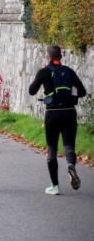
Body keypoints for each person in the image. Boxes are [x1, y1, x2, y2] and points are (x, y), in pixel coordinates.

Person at [28, 45, 87, 195]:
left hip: (52, 114)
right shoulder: (69, 71)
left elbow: (31, 91)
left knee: (52, 149)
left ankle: (54, 186)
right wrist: (71, 94)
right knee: (69, 146)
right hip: (69, 112)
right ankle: (70, 165)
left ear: (48, 57)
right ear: (61, 57)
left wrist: (43, 82)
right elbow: (83, 92)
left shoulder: (44, 72)